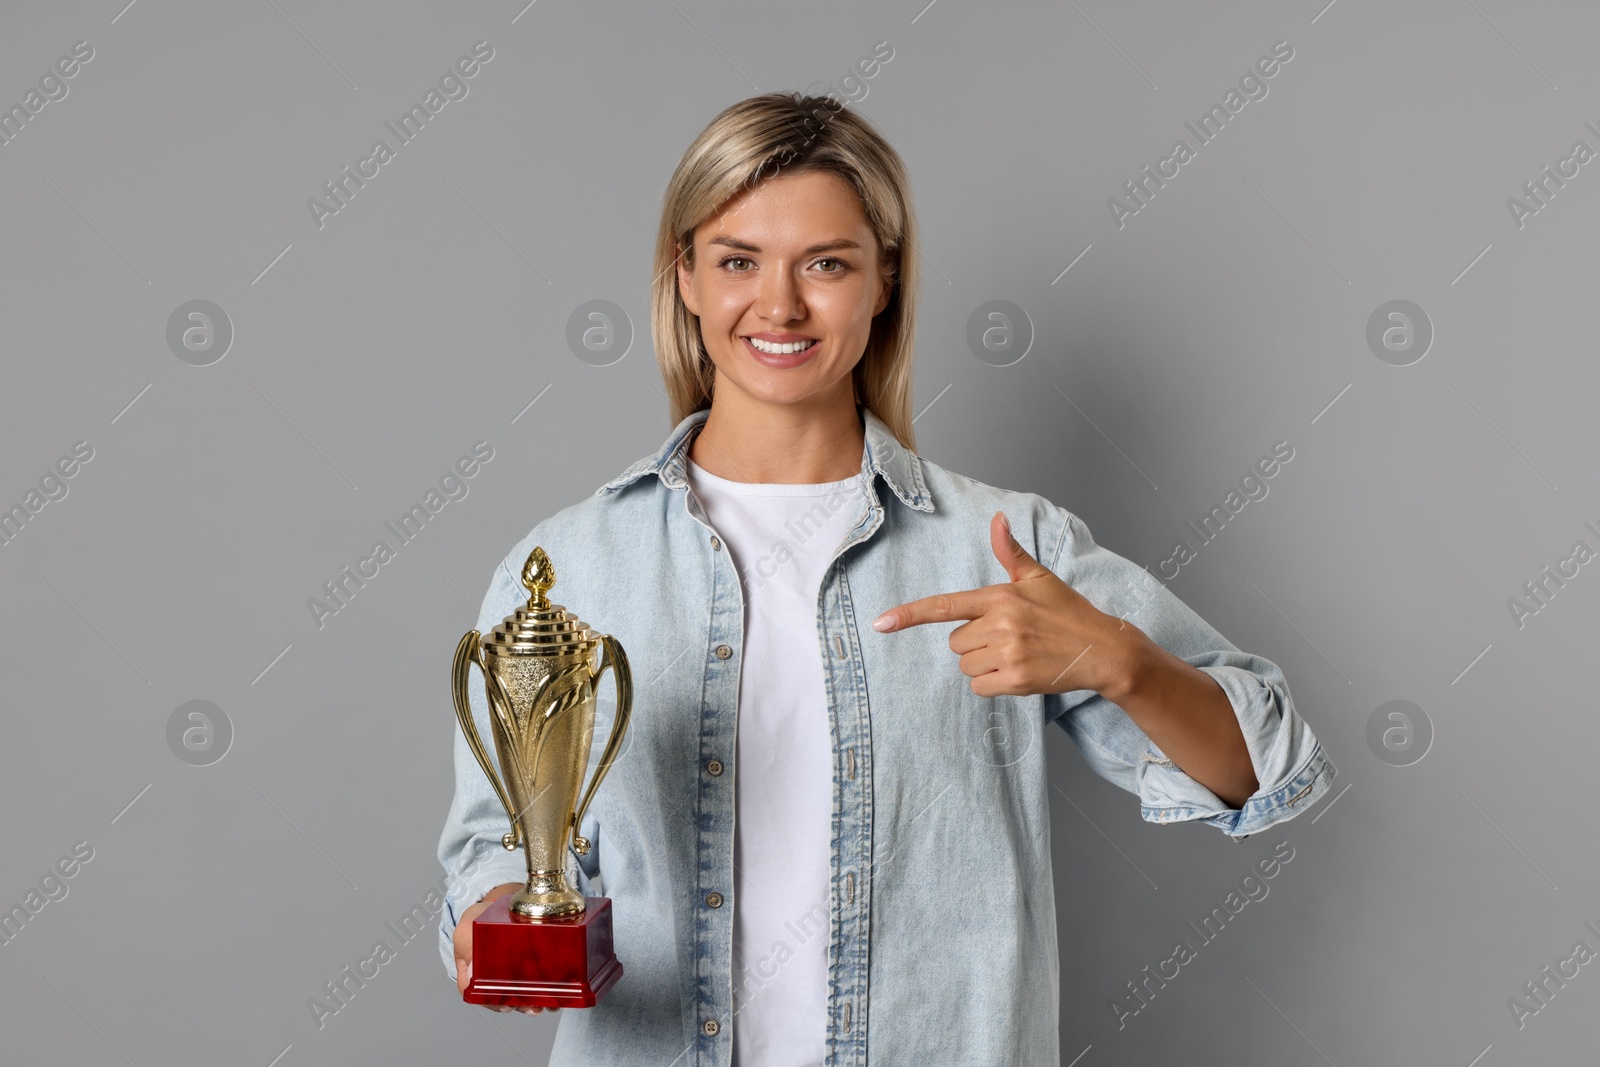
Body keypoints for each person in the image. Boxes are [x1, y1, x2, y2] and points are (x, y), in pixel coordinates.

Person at [438, 91, 1336, 1065]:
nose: (779, 305)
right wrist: (501, 921)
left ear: (883, 281)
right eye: (739, 260)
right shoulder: (571, 564)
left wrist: (1119, 659)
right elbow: (497, 842)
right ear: (685, 275)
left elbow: (1267, 768)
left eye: (825, 263)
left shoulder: (1001, 543)